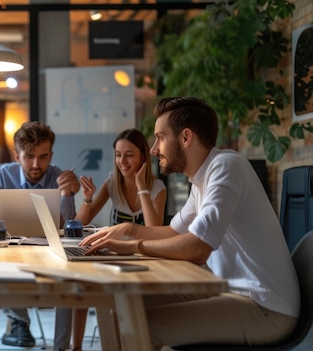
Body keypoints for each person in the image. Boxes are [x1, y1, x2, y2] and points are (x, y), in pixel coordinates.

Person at [81, 97, 299, 349]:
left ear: (185, 137)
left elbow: (197, 248)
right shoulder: (200, 180)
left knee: (139, 329)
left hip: (265, 307)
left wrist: (133, 246)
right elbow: (174, 231)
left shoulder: (226, 167)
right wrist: (127, 229)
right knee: (124, 306)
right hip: (230, 289)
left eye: (160, 137)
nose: (153, 149)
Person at [0, 121, 80, 349]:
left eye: (44, 156)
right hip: (14, 248)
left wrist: (67, 194)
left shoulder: (59, 176)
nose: (37, 164)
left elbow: (68, 226)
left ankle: (61, 346)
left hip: (50, 249)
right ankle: (20, 321)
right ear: (17, 156)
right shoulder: (5, 174)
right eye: (29, 156)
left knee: (67, 276)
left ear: (51, 154)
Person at [70, 128, 167, 350]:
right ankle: (75, 347)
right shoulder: (113, 182)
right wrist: (86, 199)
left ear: (143, 156)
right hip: (111, 253)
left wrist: (142, 187)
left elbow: (154, 229)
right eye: (118, 154)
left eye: (129, 155)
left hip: (143, 255)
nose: (122, 161)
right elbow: (81, 222)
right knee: (82, 284)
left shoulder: (158, 188)